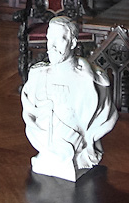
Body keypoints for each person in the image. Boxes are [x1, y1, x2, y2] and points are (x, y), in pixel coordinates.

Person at [21, 16, 117, 182]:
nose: (52, 45)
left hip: (78, 155)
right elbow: (30, 115)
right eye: (49, 38)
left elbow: (105, 118)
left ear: (72, 43)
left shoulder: (93, 82)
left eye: (60, 39)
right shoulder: (36, 77)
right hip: (46, 156)